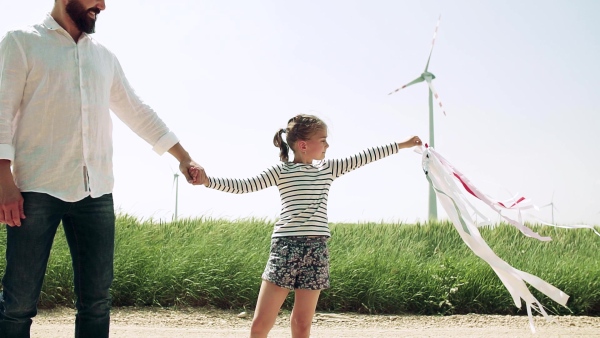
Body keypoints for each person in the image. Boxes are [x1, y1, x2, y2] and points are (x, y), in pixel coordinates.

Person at [0, 1, 205, 337]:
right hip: (35, 188)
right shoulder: (21, 41)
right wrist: (3, 181)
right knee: (18, 302)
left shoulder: (104, 57)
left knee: (96, 302)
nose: (103, 5)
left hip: (96, 193)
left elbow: (137, 111)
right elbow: (1, 112)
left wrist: (183, 157)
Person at [197, 114, 421, 338]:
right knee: (260, 325)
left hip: (316, 250)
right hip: (285, 249)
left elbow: (365, 156)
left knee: (302, 324)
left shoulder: (327, 169)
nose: (327, 144)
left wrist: (404, 144)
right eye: (322, 139)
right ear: (304, 145)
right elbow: (244, 186)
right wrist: (208, 181)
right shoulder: (281, 171)